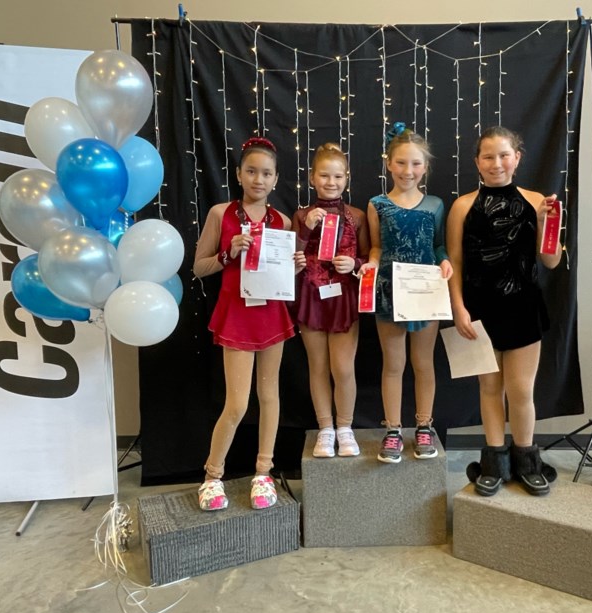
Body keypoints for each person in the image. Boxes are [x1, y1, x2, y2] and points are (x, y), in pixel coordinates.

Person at [446, 126, 561, 497]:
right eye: (488, 157)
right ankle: (495, 460)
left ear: (517, 157)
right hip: (479, 311)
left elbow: (551, 260)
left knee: (520, 390)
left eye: (503, 155)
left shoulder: (536, 200)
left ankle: (527, 460)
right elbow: (457, 262)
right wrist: (458, 309)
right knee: (489, 387)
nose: (496, 163)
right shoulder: (463, 206)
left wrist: (546, 224)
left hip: (523, 308)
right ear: (477, 162)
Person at [192, 136, 306, 511]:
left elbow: (282, 271)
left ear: (276, 180)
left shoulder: (282, 221)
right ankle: (212, 476)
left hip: (271, 314)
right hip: (237, 316)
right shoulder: (220, 214)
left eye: (267, 173)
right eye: (252, 171)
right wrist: (229, 254)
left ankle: (263, 472)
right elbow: (199, 266)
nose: (259, 179)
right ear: (240, 174)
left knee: (270, 395)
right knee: (237, 403)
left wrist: (295, 266)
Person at [360, 123, 452, 464]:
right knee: (393, 364)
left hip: (426, 292)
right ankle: (394, 429)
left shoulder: (435, 204)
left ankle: (424, 426)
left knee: (423, 363)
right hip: (390, 291)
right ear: (389, 164)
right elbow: (376, 247)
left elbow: (439, 245)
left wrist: (445, 263)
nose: (408, 171)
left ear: (425, 167)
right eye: (401, 163)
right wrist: (370, 265)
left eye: (415, 164)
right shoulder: (377, 204)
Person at [290, 143, 370, 458]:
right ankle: (325, 428)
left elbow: (367, 257)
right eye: (324, 175)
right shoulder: (300, 215)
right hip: (312, 296)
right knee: (318, 366)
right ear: (312, 178)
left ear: (347, 178)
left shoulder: (358, 215)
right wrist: (306, 231)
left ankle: (345, 427)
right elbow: (289, 254)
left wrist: (355, 265)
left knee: (343, 367)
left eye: (338, 176)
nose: (331, 182)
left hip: (343, 296)